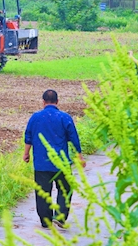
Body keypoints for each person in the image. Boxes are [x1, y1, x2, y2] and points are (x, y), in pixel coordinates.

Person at [23, 89, 86, 230]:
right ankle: (60, 217)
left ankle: (46, 221)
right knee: (65, 190)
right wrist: (79, 156)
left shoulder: (35, 117)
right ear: (57, 102)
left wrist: (26, 154)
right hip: (61, 163)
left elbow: (28, 137)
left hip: (41, 163)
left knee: (43, 192)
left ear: (43, 102)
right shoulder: (65, 117)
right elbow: (74, 139)